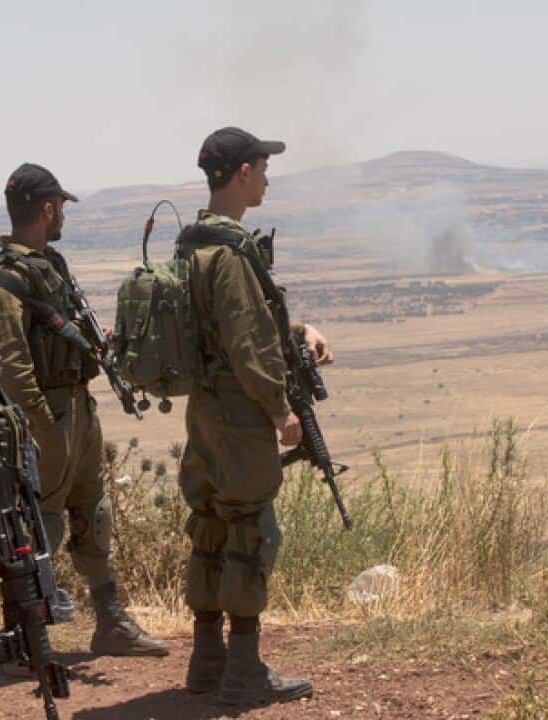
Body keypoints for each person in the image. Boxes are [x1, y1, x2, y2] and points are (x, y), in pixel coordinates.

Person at [0, 163, 168, 657]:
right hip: (48, 419)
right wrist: (42, 426)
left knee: (93, 513)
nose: (62, 215)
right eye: (59, 206)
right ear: (45, 209)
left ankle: (110, 622)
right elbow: (13, 372)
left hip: (77, 407)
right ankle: (24, 635)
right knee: (41, 525)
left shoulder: (49, 266)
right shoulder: (3, 283)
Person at [176, 127, 333, 706]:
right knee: (249, 529)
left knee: (210, 524)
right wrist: (279, 409)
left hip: (205, 411)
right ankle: (243, 671)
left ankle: (205, 658)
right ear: (242, 173)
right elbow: (246, 341)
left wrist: (298, 331)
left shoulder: (193, 242)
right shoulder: (233, 251)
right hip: (241, 413)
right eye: (263, 168)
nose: (267, 178)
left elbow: (238, 327)